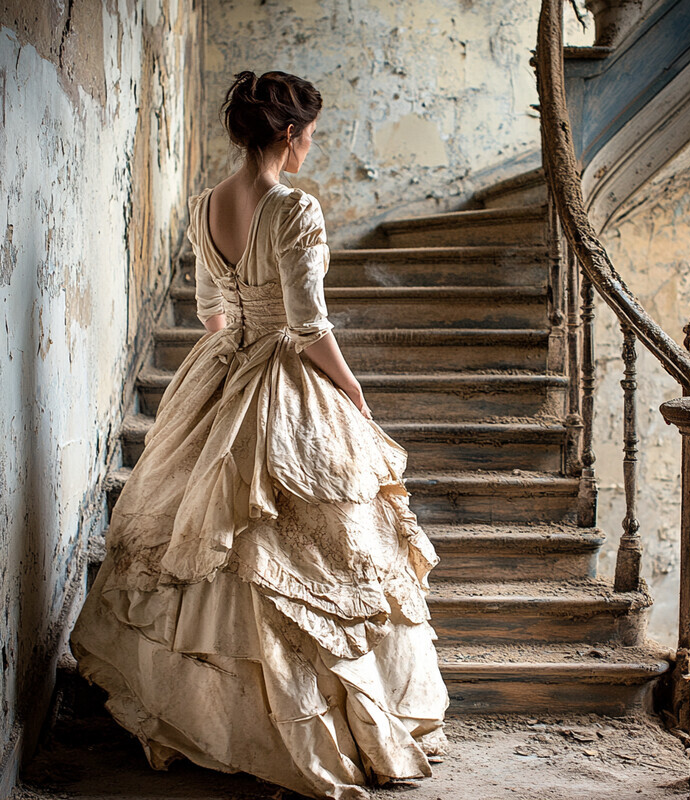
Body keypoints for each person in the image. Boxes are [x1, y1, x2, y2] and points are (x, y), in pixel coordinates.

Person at [69, 70, 450, 800]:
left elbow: (214, 309)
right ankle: (295, 729)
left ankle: (211, 721)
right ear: (286, 132)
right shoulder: (294, 209)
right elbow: (307, 324)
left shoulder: (210, 202)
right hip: (282, 365)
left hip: (225, 362)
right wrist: (351, 387)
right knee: (292, 546)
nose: (312, 143)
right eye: (309, 131)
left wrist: (235, 359)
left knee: (218, 538)